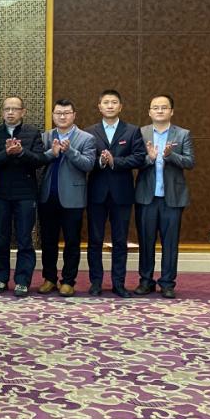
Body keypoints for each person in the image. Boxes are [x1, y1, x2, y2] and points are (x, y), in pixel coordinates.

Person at [85, 89, 147, 298]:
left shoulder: (132, 131)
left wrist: (115, 161)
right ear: (99, 107)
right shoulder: (90, 132)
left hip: (122, 193)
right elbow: (85, 160)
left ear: (120, 107)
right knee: (95, 240)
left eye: (114, 102)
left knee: (120, 241)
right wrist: (101, 161)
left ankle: (118, 284)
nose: (110, 106)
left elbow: (139, 157)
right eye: (106, 102)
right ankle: (95, 283)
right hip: (96, 193)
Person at [134, 94, 195, 299]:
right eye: (155, 107)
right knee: (146, 241)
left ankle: (167, 283)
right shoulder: (141, 133)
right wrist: (149, 158)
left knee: (170, 243)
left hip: (173, 197)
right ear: (149, 112)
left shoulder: (183, 134)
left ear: (172, 111)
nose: (159, 111)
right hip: (146, 196)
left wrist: (171, 156)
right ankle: (145, 281)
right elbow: (134, 161)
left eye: (164, 107)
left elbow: (190, 162)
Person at [37, 99, 97, 297]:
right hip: (47, 196)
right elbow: (37, 161)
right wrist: (51, 153)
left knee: (72, 241)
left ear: (74, 115)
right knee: (48, 241)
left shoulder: (86, 138)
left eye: (66, 113)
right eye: (58, 113)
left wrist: (70, 151)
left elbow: (88, 164)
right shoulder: (45, 137)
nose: (62, 117)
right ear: (53, 115)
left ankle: (68, 281)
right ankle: (49, 278)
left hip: (73, 198)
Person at [0, 96, 44, 297]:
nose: (10, 112)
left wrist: (21, 152)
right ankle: (0, 278)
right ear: (2, 112)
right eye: (7, 109)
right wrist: (6, 152)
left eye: (14, 109)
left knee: (24, 239)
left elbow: (39, 160)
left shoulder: (33, 132)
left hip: (26, 194)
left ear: (23, 112)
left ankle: (22, 281)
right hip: (0, 194)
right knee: (1, 238)